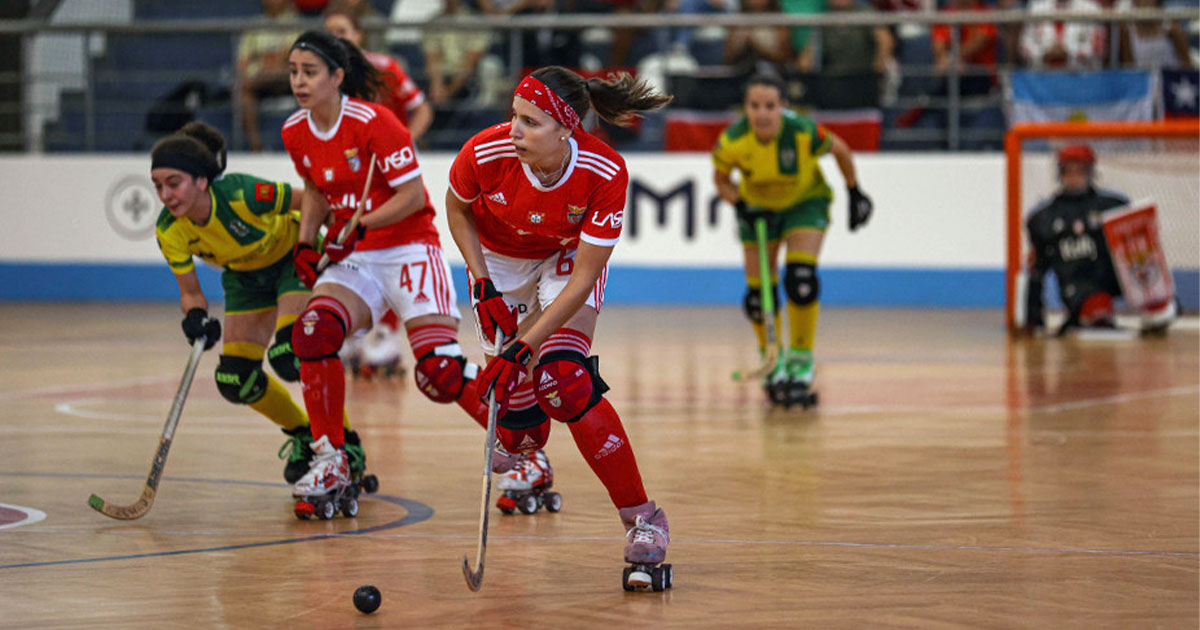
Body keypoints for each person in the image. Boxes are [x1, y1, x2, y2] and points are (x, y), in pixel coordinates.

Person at [444, 66, 675, 588]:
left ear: (567, 129)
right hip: (499, 261)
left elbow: (585, 277)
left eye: (529, 122)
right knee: (521, 430)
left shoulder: (605, 171)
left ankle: (643, 518)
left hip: (566, 262)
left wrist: (523, 348)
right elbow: (457, 208)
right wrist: (482, 285)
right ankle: (529, 454)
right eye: (512, 117)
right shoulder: (485, 152)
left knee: (564, 382)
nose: (513, 130)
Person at [282, 30, 494, 517]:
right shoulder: (294, 130)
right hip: (355, 257)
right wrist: (306, 244)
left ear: (337, 77)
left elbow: (414, 198)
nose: (298, 81)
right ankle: (332, 457)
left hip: (406, 248)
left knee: (439, 370)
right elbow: (314, 190)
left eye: (309, 72)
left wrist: (360, 227)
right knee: (312, 334)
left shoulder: (378, 123)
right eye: (293, 72)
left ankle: (522, 450)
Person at [150, 121, 333, 486]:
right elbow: (190, 292)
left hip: (292, 258)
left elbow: (314, 199)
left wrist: (332, 241)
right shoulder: (170, 230)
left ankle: (344, 446)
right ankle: (304, 436)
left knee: (290, 354)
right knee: (235, 378)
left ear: (202, 180)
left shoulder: (243, 194)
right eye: (158, 186)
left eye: (174, 183)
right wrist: (196, 317)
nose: (166, 195)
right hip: (244, 277)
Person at [712, 74, 872, 406]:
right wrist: (741, 204)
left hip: (804, 204)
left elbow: (840, 149)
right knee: (759, 296)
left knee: (801, 280)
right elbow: (721, 179)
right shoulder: (733, 140)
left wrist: (854, 191)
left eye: (770, 106)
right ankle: (773, 362)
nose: (763, 114)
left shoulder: (802, 130)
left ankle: (801, 362)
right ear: (746, 109)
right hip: (759, 213)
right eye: (755, 106)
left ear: (783, 107)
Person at [1023, 145, 1176, 335]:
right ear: (1060, 173)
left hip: (1113, 275)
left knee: (1162, 305)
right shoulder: (1043, 217)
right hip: (1078, 283)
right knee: (1097, 311)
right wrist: (1034, 319)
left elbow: (1139, 248)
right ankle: (1088, 315)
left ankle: (1155, 310)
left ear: (1091, 171)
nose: (1074, 176)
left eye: (1080, 170)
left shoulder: (1114, 205)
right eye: (1069, 170)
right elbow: (1037, 269)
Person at [238, 0, 302, 152]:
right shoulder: (255, 25)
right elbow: (243, 63)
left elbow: (293, 53)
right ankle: (255, 146)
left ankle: (304, 143)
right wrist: (265, 65)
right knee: (245, 90)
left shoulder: (295, 22)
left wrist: (270, 61)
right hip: (260, 79)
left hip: (288, 77)